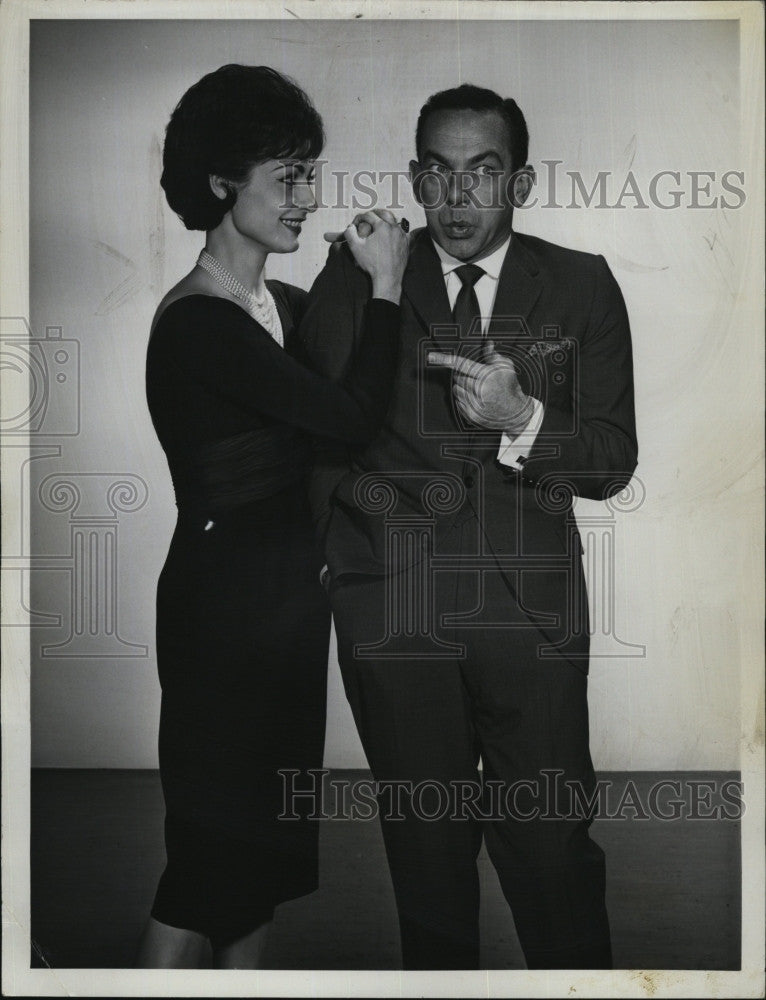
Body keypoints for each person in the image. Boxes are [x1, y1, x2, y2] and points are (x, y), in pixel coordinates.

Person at [299, 84, 637, 969]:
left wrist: (523, 416)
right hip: (394, 615)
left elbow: (612, 456)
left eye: (482, 174)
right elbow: (319, 433)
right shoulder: (362, 271)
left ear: (518, 183)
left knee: (553, 848)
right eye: (439, 175)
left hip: (529, 615)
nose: (457, 199)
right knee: (426, 860)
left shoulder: (581, 282)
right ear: (416, 179)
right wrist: (350, 584)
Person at [137, 64, 408, 970]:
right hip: (225, 616)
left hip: (286, 610)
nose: (306, 196)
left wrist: (349, 268)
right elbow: (350, 415)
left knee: (261, 864)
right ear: (222, 182)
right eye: (285, 176)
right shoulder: (199, 322)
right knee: (209, 864)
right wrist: (386, 285)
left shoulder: (275, 308)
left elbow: (336, 368)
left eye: (310, 173)